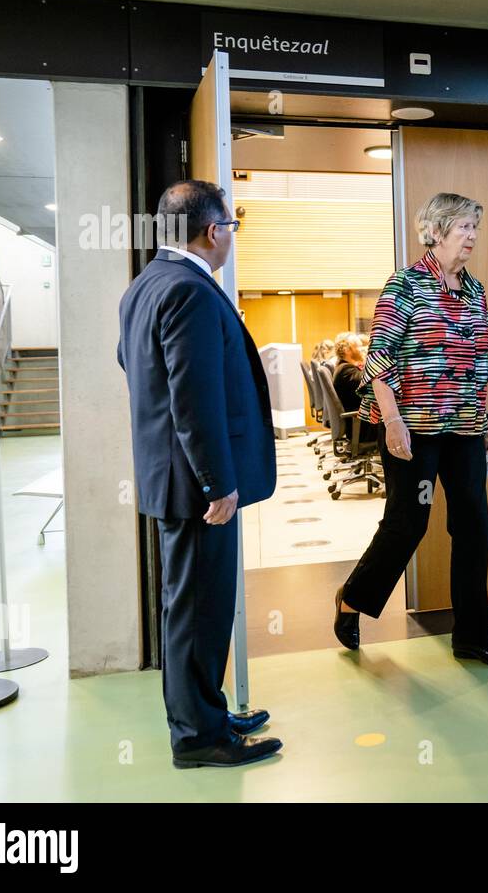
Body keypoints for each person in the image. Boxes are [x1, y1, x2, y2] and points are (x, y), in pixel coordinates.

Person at [117, 179, 282, 769]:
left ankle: (208, 713)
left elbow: (136, 368)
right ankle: (197, 738)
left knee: (200, 606)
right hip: (197, 488)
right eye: (231, 229)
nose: (231, 239)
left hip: (175, 478)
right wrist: (217, 482)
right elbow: (194, 397)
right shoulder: (189, 290)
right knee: (195, 612)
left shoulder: (145, 285)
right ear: (214, 232)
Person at [332, 192, 488, 666]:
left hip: (464, 428)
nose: (472, 236)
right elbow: (378, 359)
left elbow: (478, 364)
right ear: (435, 231)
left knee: (474, 525)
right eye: (464, 227)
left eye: (476, 227)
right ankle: (352, 598)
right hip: (412, 427)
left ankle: (471, 636)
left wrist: (485, 421)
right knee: (408, 523)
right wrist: (392, 421)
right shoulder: (405, 286)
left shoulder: (475, 291)